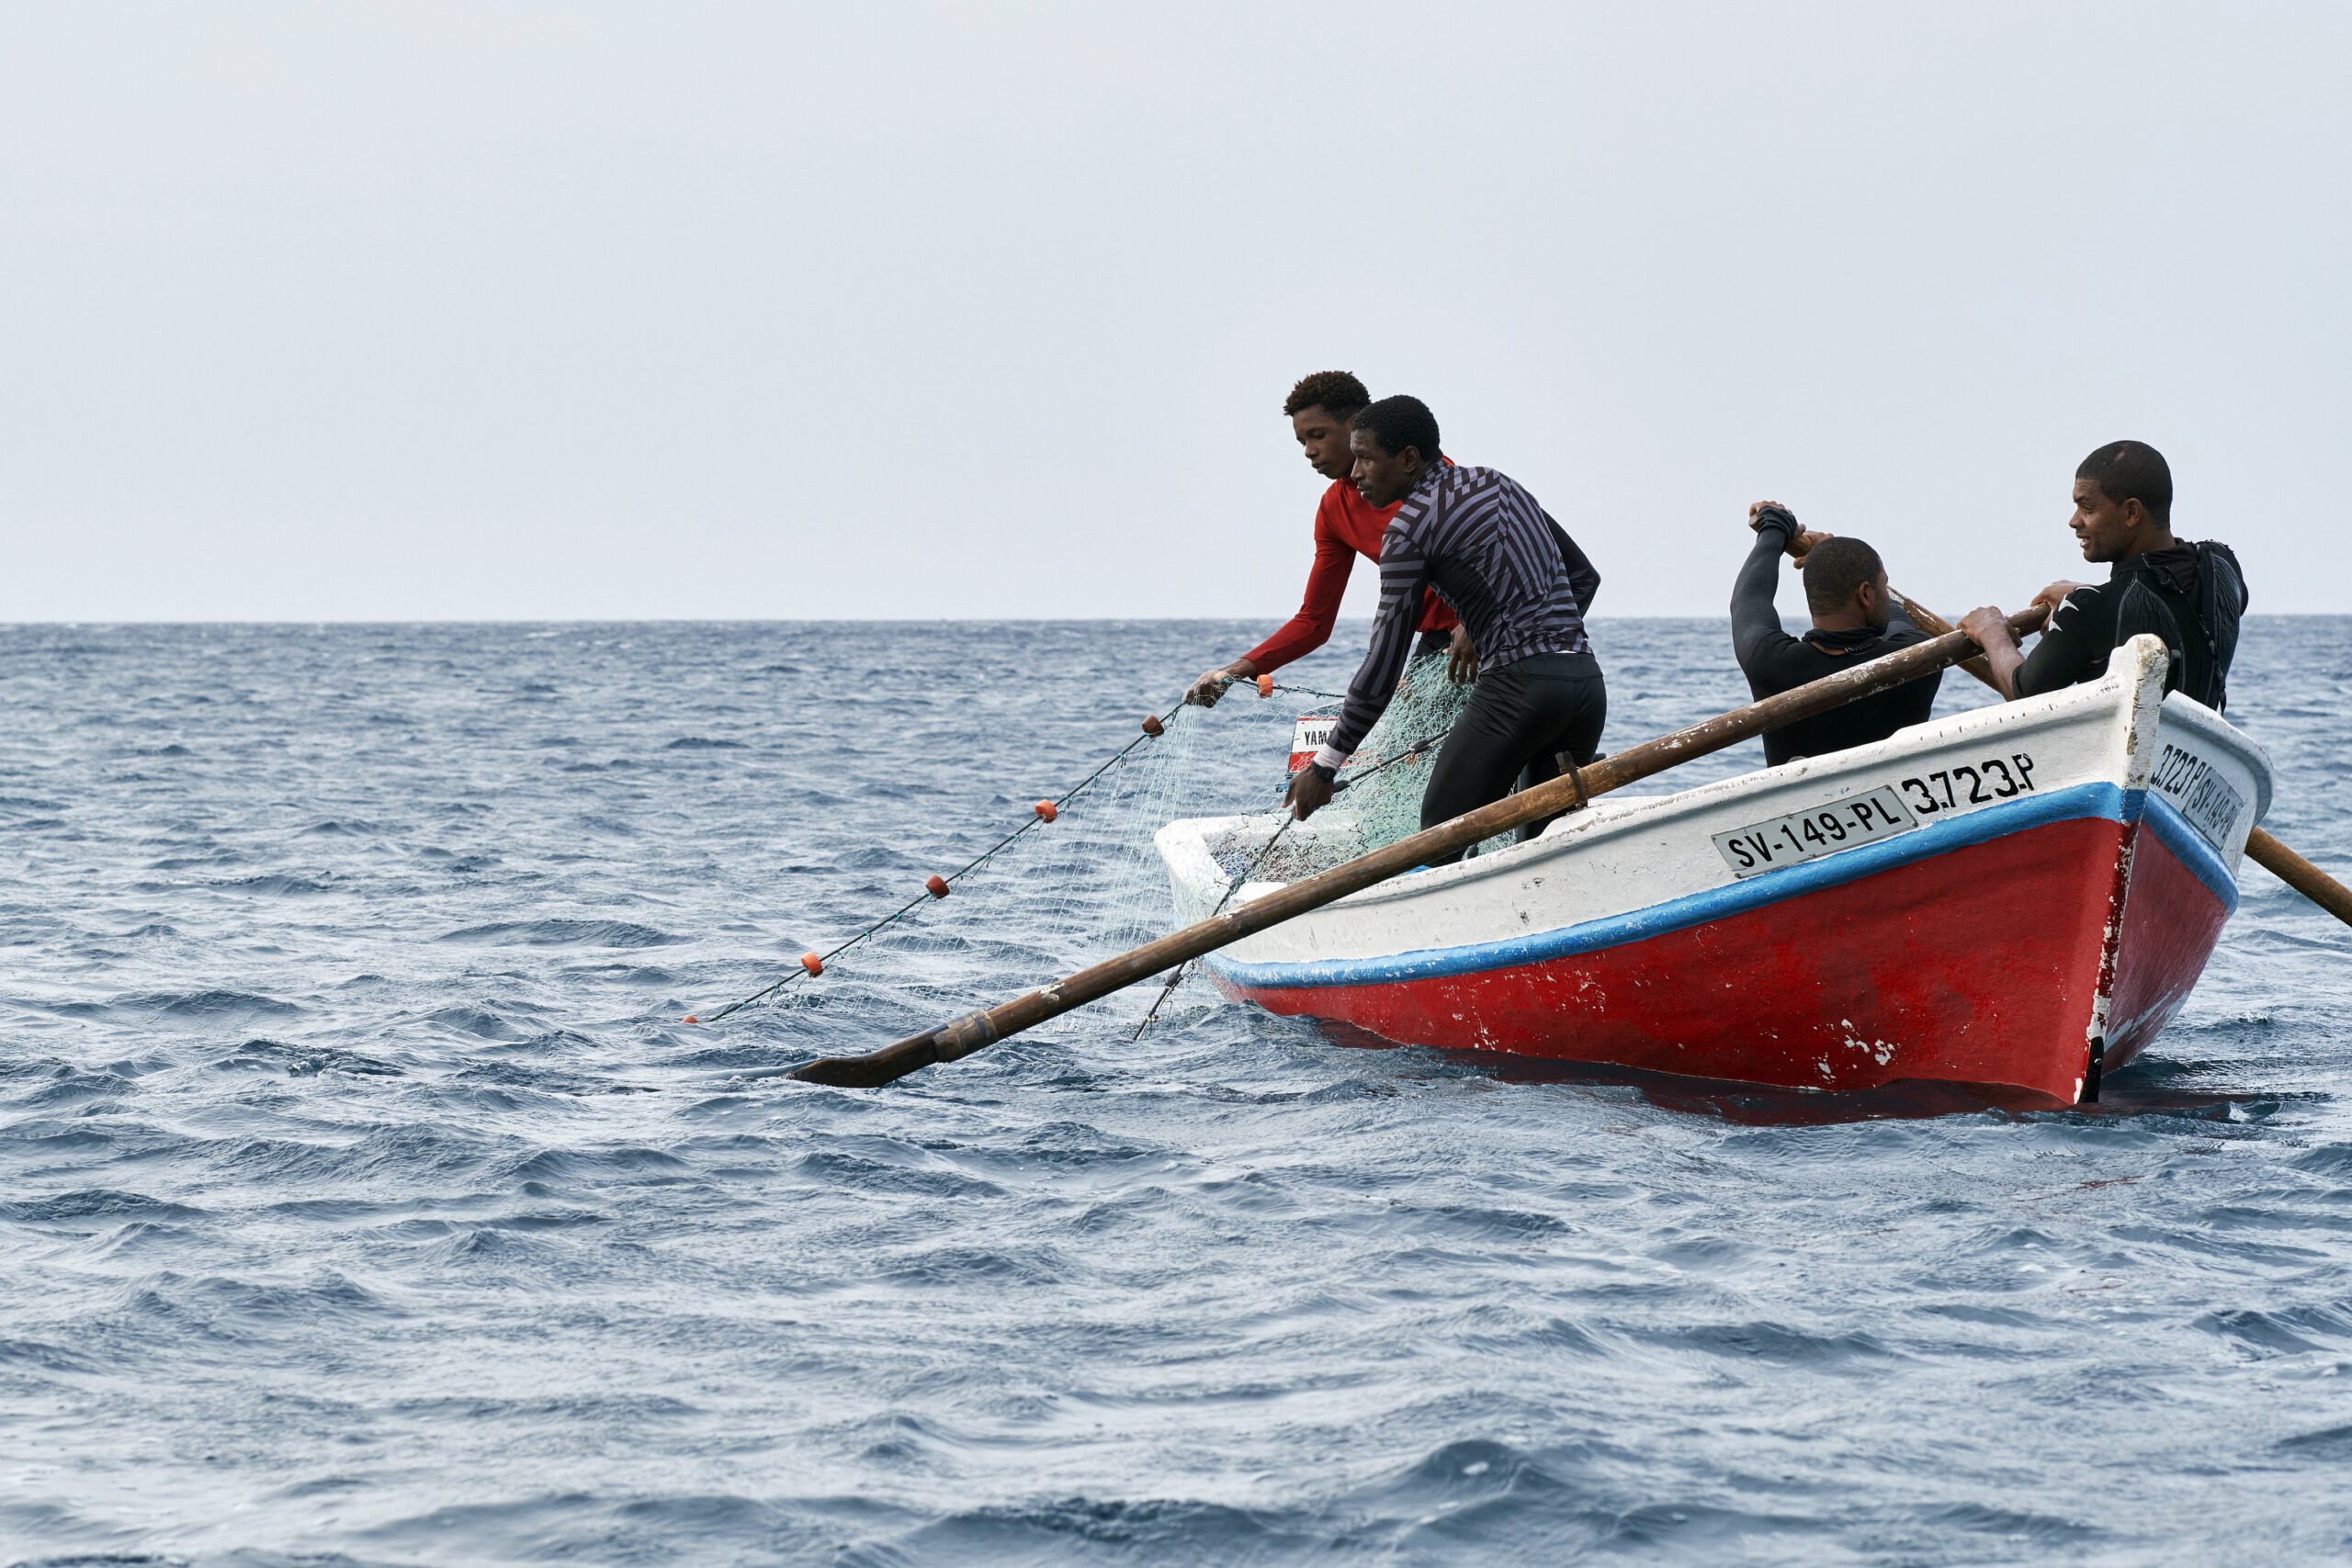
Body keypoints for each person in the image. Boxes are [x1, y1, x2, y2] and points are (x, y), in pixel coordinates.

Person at [1283, 396, 1605, 860]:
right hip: (1586, 686)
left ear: (1409, 458)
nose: (1355, 475)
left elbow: (1384, 664)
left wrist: (1326, 765)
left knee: (1438, 839)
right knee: (1541, 849)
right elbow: (1584, 577)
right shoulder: (1499, 484)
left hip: (1518, 691)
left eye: (1368, 459)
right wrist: (1527, 637)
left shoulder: (1408, 530)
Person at [1185, 372, 1469, 706]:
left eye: (1317, 436)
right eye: (1302, 442)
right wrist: (1233, 670)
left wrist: (1475, 626)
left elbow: (1503, 558)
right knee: (1403, 748)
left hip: (1494, 625)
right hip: (1437, 642)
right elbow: (1314, 621)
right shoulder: (1334, 509)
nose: (1308, 451)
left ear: (1354, 425)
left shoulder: (1428, 476)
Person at [1959, 441, 2248, 709]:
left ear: (2132, 512)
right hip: (2194, 758)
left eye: (2087, 507)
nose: (2074, 521)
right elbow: (2171, 598)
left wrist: (1992, 631)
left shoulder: (2088, 610)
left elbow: (2023, 692)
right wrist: (2097, 596)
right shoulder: (2223, 567)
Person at [1735, 503, 1941, 765]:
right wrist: (1827, 558)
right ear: (1865, 594)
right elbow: (1897, 617)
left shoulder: (1770, 663)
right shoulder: (1918, 659)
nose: (1886, 592)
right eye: (1884, 584)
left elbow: (1749, 598)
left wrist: (1774, 527)